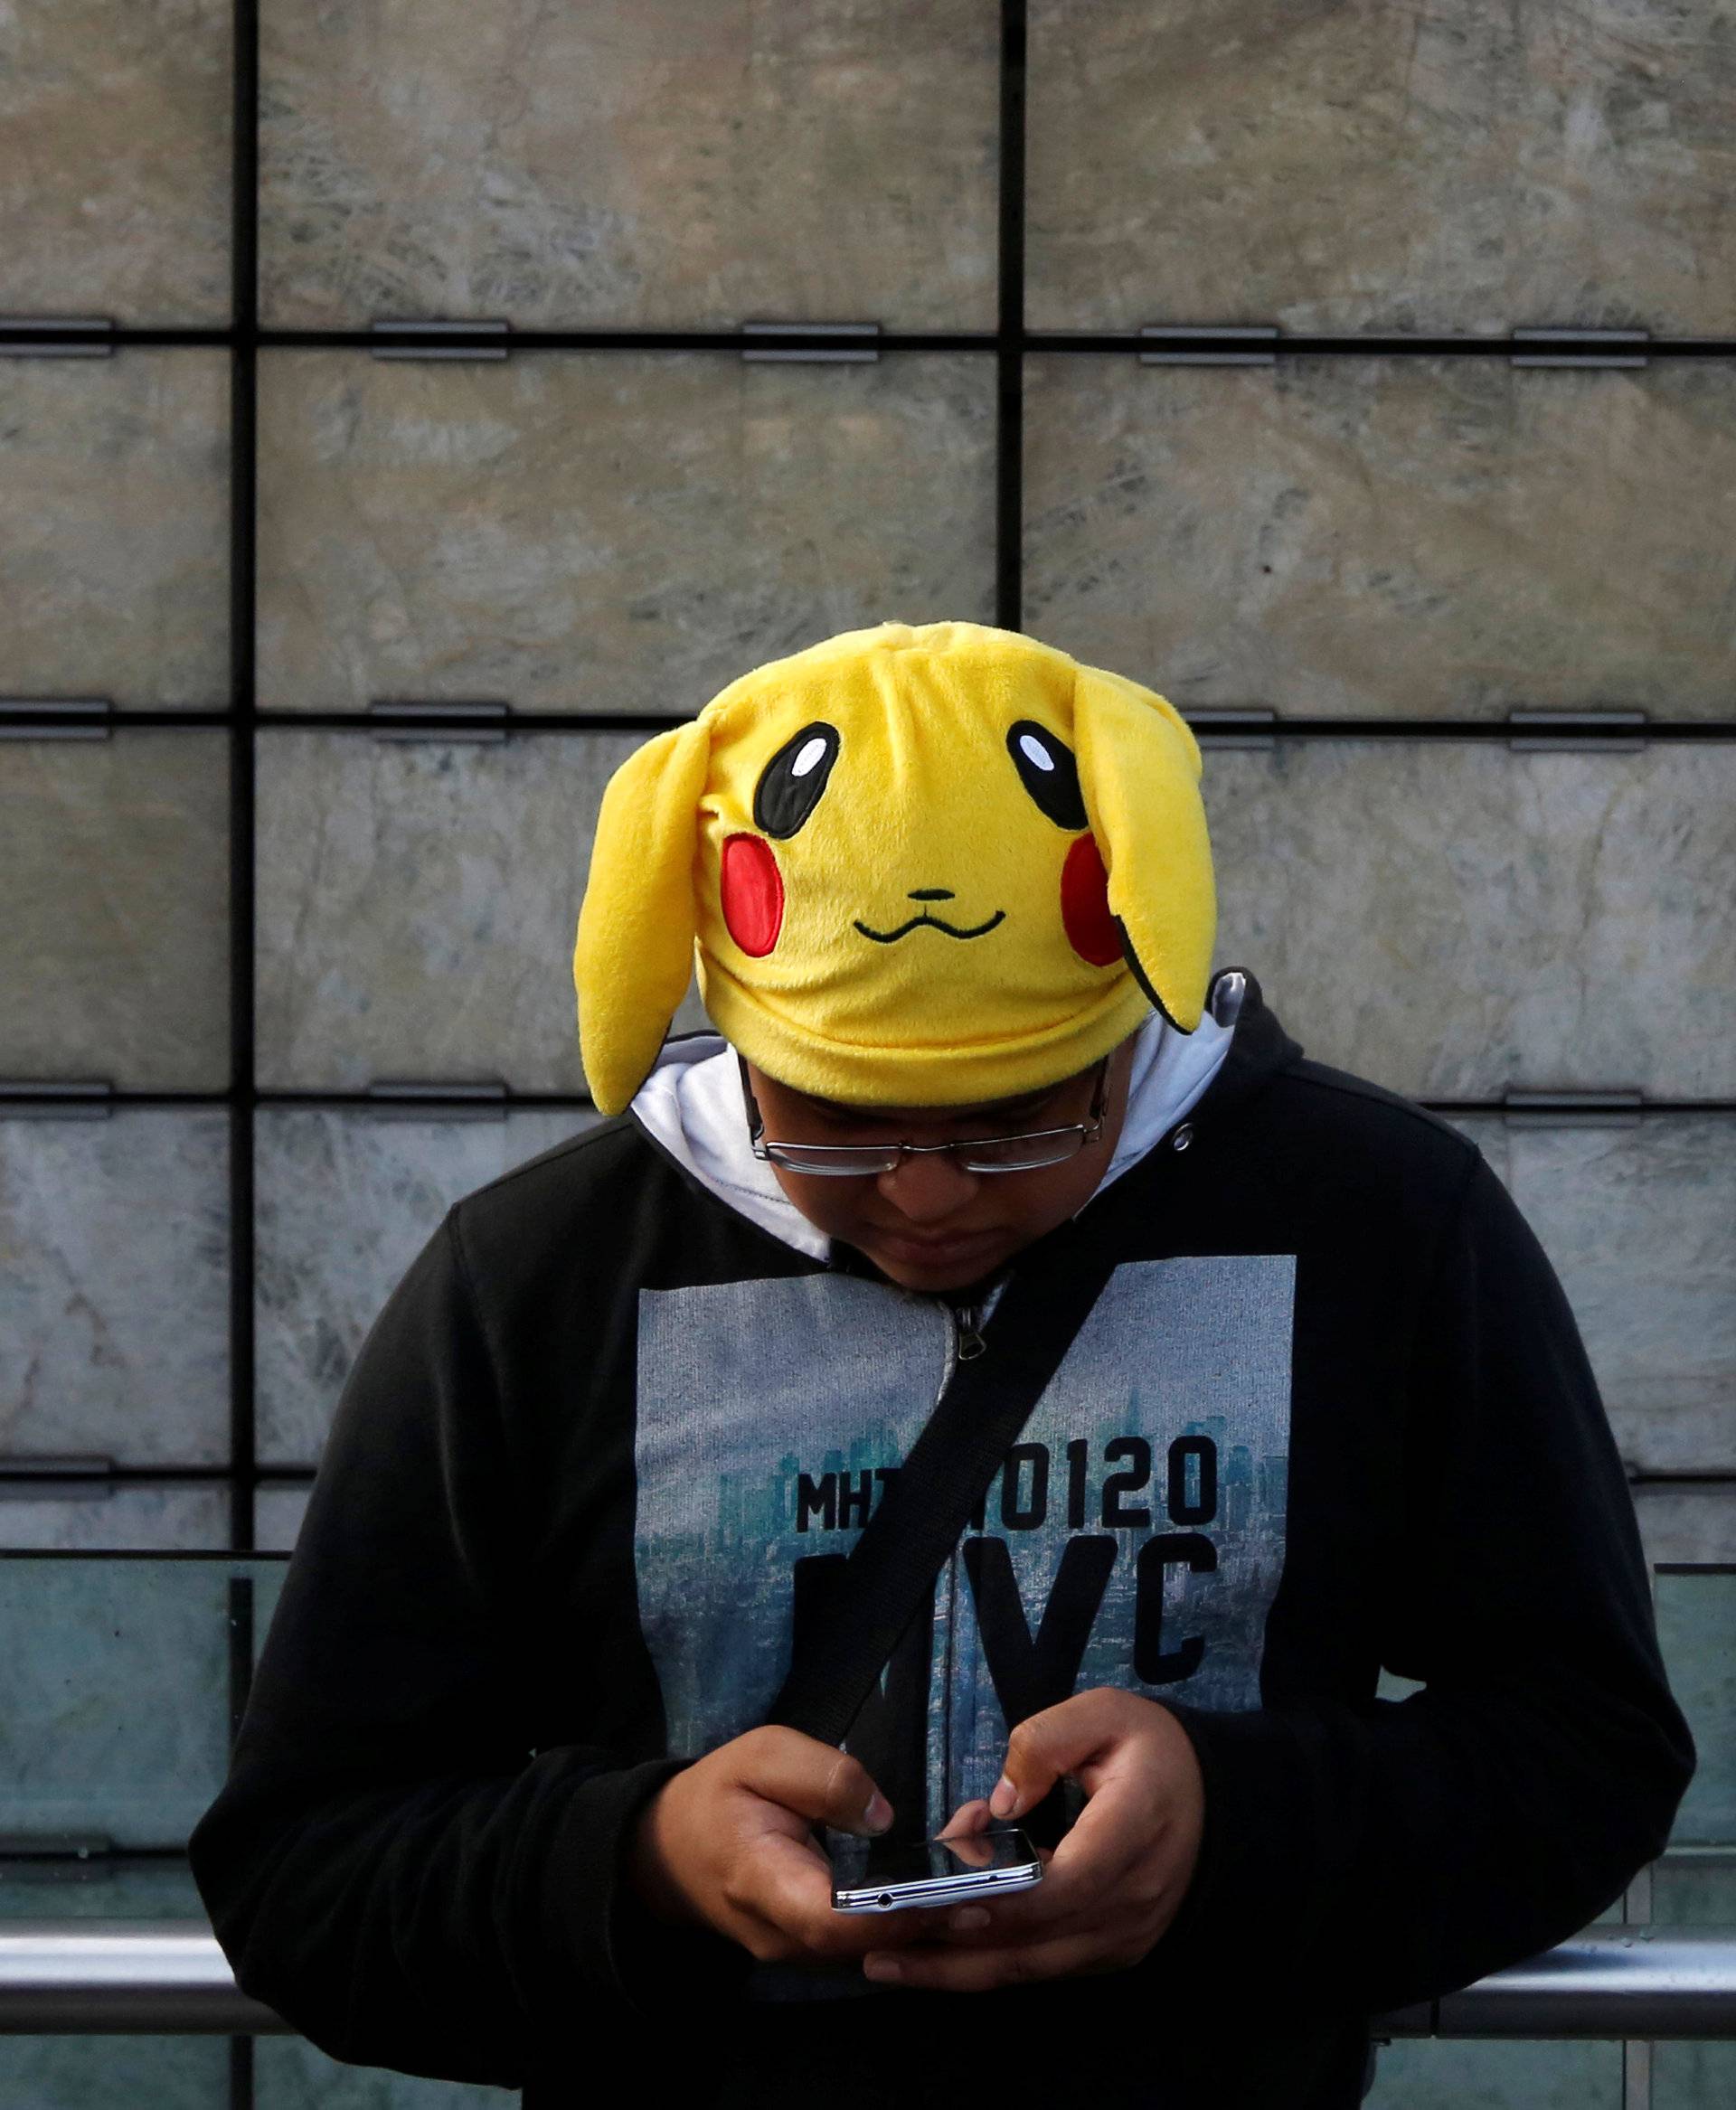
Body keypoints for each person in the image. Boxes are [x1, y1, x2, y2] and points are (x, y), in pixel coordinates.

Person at [189, 618, 1695, 2109]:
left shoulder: (1383, 1224)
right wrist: (640, 1859)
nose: (926, 1193)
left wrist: (1229, 1830)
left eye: (1016, 1121)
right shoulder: (536, 1279)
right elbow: (304, 1871)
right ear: (727, 1014)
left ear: (1134, 994)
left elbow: (1589, 1749)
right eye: (837, 1122)